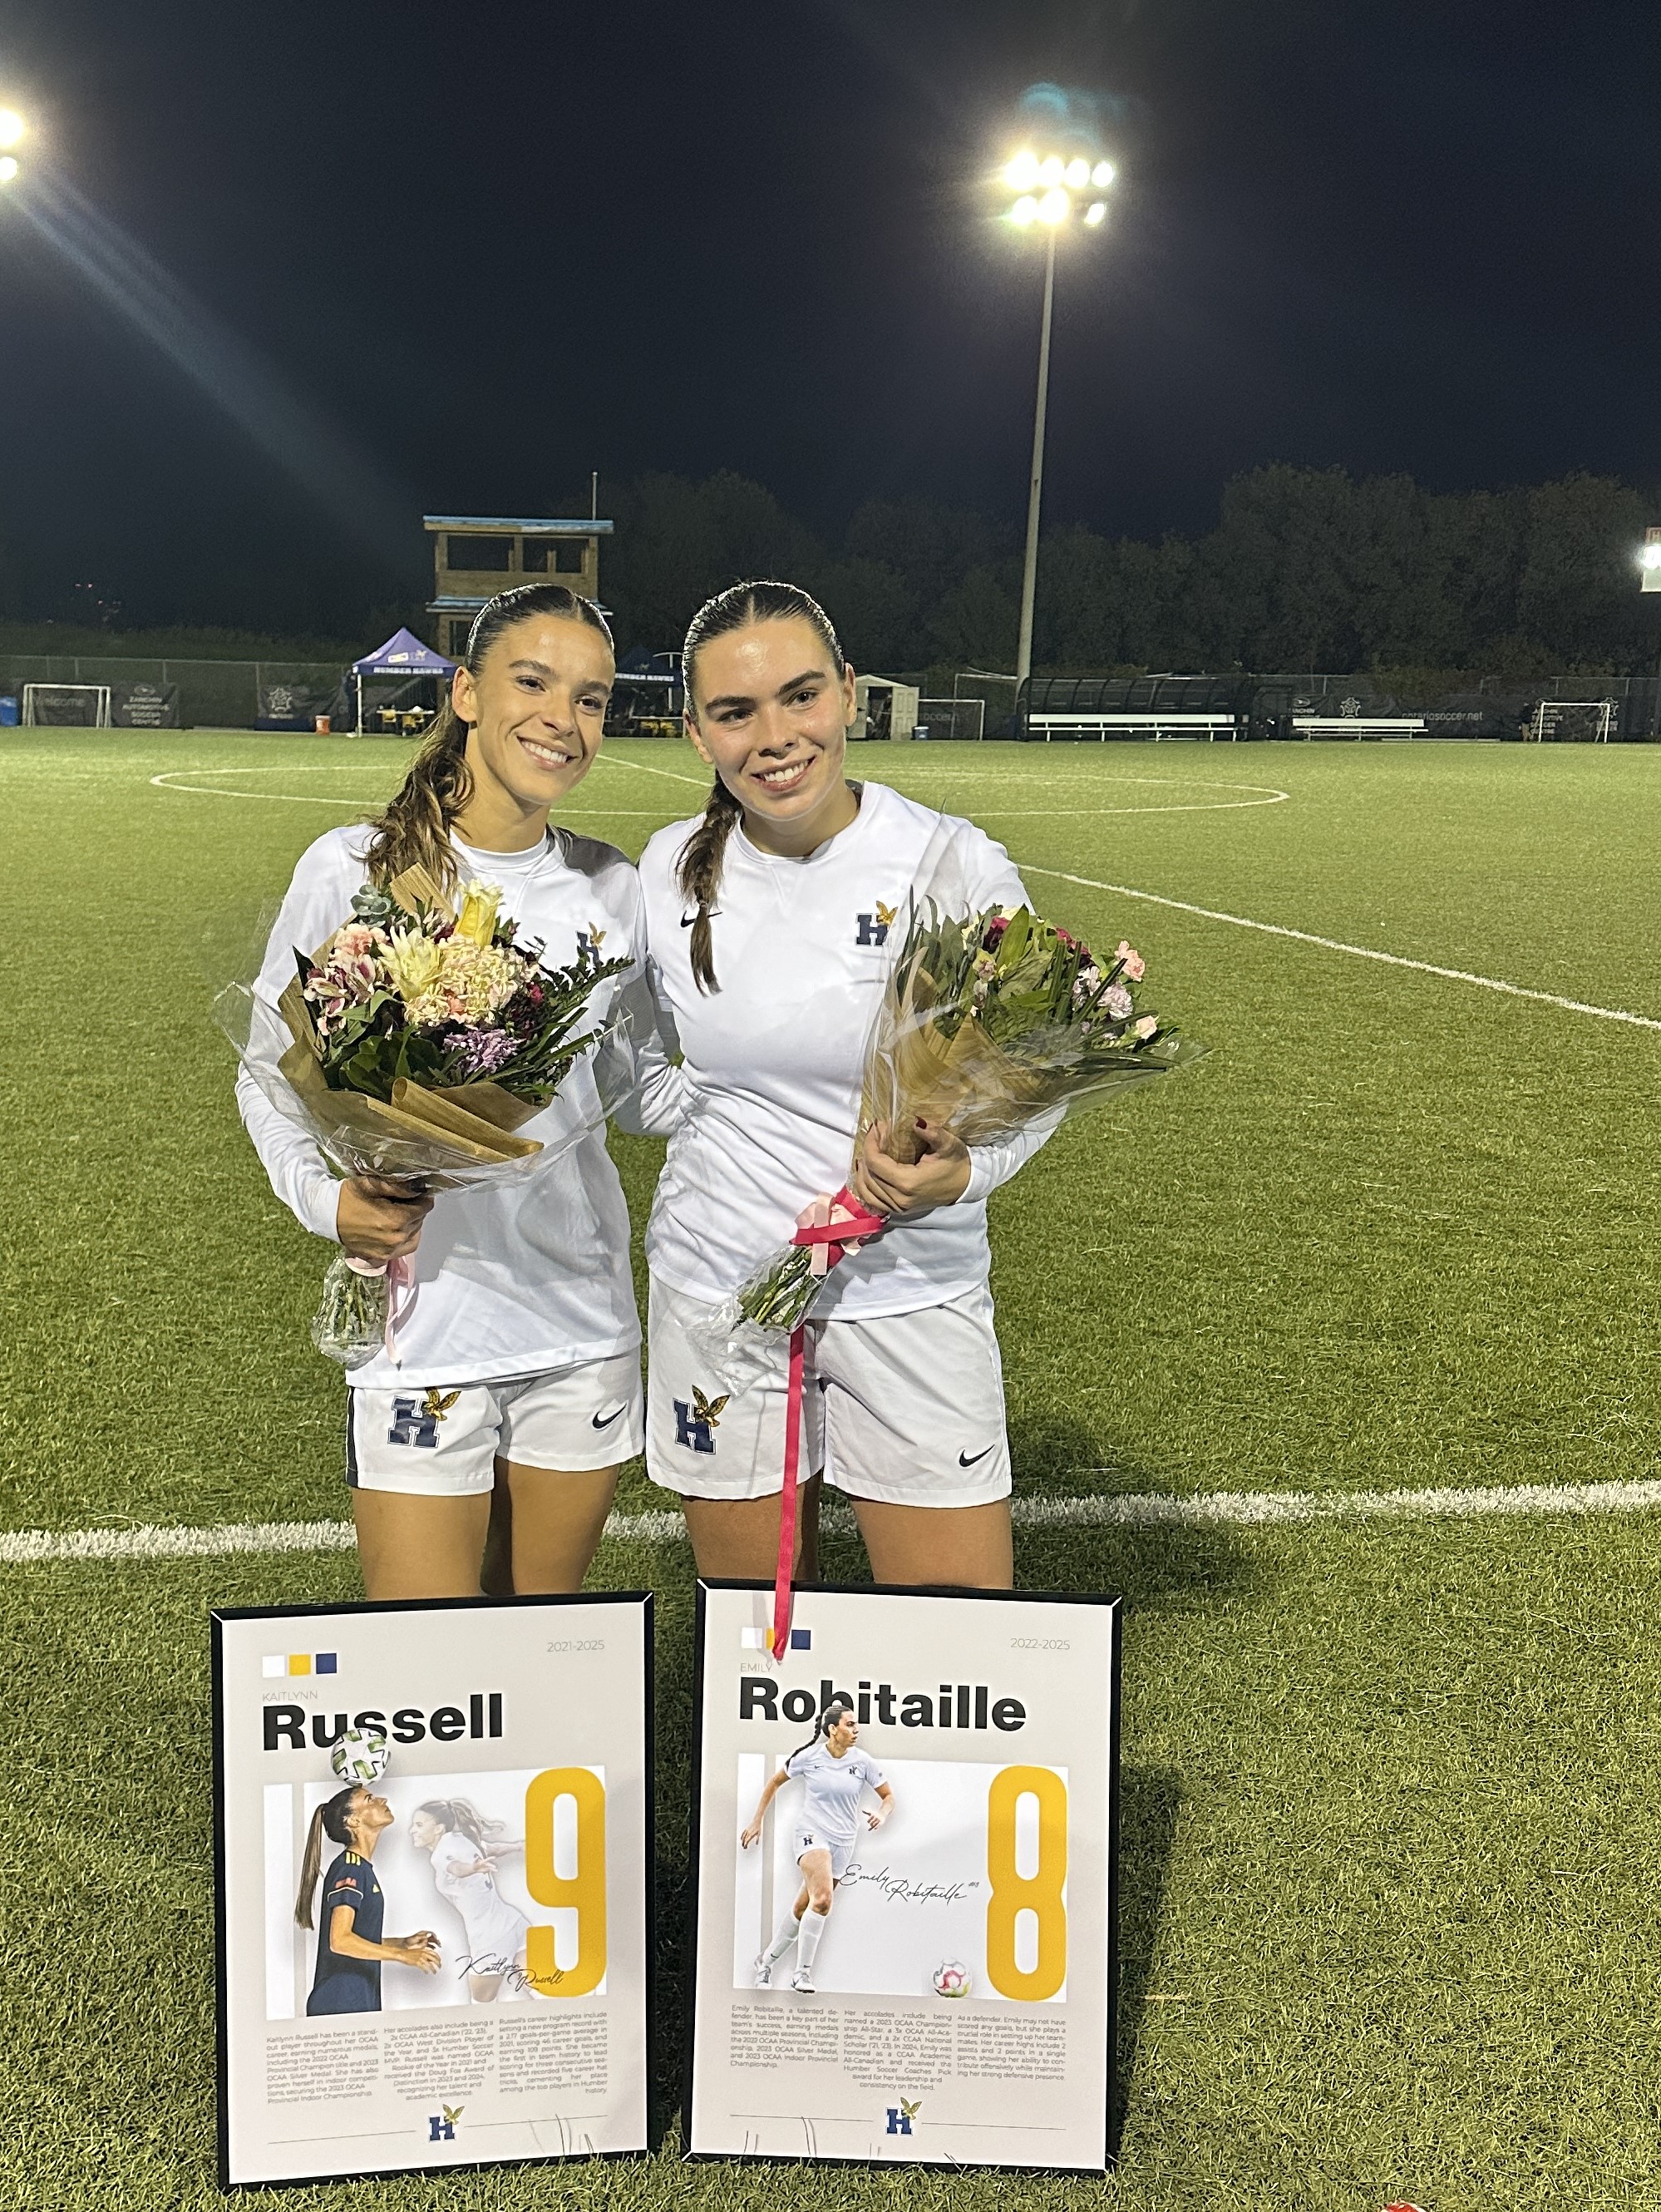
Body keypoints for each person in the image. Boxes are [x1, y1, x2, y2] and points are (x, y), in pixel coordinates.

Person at [238, 584, 681, 1600]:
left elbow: (639, 1089)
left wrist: (811, 1095)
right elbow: (268, 1066)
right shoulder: (353, 868)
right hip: (422, 1326)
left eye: (592, 699)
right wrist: (329, 1200)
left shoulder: (614, 890)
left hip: (580, 1326)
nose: (562, 720)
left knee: (538, 1641)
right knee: (428, 1659)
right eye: (533, 682)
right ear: (468, 693)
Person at [638, 580, 1060, 1591]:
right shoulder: (664, 873)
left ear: (850, 694)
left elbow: (1034, 1069)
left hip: (908, 1287)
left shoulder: (947, 861)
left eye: (801, 696)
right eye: (735, 713)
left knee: (952, 1644)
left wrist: (961, 1174)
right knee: (756, 1646)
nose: (774, 736)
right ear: (697, 733)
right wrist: (716, 1133)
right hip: (720, 1285)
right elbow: (637, 1069)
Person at [741, 1696, 891, 1993]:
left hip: (844, 1841)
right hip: (811, 1833)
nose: (856, 1729)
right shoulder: (810, 1757)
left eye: (856, 1724)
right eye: (850, 1724)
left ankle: (765, 1962)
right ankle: (802, 1974)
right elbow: (774, 1783)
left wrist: (882, 1814)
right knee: (822, 1900)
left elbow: (889, 1797)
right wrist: (756, 1820)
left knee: (803, 1907)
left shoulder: (863, 1762)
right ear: (833, 1729)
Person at [293, 1783, 441, 2016]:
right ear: (353, 1821)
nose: (382, 1799)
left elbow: (357, 1938)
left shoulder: (361, 1869)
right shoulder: (349, 1869)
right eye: (370, 1799)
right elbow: (340, 1940)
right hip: (340, 2003)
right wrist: (401, 1955)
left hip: (357, 2000)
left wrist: (401, 1943)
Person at [409, 1798, 533, 2002]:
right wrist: (519, 1846)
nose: (412, 1830)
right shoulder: (462, 1838)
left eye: (419, 1825)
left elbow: (456, 1868)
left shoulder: (439, 1855)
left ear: (439, 1828)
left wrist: (472, 1869)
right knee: (539, 1988)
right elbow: (492, 1849)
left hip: (490, 1938)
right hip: (514, 1922)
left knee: (481, 2006)